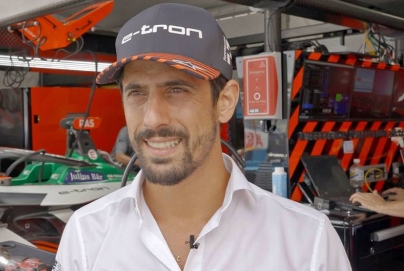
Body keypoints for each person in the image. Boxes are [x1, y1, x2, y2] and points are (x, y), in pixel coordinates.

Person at [54, 3, 350, 271]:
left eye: (177, 90)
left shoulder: (308, 243)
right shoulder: (86, 235)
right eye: (136, 92)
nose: (153, 118)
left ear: (225, 101)